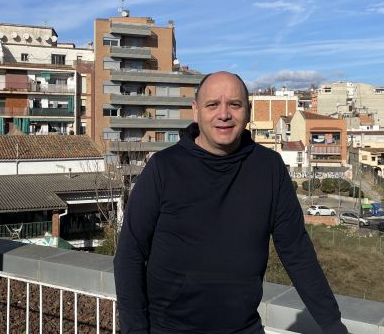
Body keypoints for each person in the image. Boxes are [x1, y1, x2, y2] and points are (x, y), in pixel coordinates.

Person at [113, 71, 347, 334]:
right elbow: (129, 255)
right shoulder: (163, 168)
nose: (224, 114)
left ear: (247, 111)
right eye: (212, 105)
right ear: (196, 111)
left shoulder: (268, 168)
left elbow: (296, 250)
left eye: (234, 105)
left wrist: (331, 323)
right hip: (169, 328)